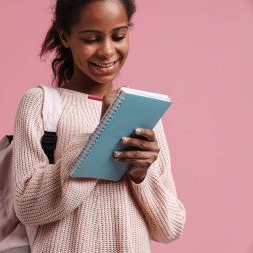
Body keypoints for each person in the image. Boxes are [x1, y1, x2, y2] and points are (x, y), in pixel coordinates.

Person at [11, 0, 186, 252]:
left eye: (118, 36)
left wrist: (141, 177)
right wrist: (98, 139)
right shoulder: (39, 103)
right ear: (65, 36)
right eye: (91, 39)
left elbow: (169, 228)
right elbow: (27, 207)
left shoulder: (144, 113)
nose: (107, 50)